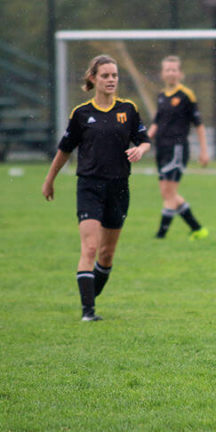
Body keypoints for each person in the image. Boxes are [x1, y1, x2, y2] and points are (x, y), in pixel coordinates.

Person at [41, 54, 151, 321]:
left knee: (107, 253)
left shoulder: (128, 109)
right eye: (105, 75)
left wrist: (140, 149)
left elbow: (144, 139)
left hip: (119, 187)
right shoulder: (81, 114)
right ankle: (88, 311)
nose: (111, 80)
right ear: (93, 78)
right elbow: (64, 150)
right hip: (89, 186)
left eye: (114, 75)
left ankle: (90, 292)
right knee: (89, 248)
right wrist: (49, 179)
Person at [148, 55, 209, 240]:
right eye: (167, 69)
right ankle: (197, 228)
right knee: (167, 193)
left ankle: (160, 236)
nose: (171, 73)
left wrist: (204, 151)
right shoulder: (161, 96)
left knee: (169, 193)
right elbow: (156, 123)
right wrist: (142, 142)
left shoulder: (186, 96)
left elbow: (199, 124)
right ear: (162, 74)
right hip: (162, 148)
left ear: (180, 73)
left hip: (177, 148)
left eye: (174, 69)